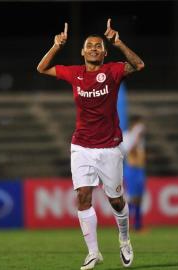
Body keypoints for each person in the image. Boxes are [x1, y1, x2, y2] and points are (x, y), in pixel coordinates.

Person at [37, 19, 145, 269]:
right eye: (89, 45)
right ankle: (94, 252)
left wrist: (118, 42)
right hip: (82, 146)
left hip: (109, 147)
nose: (94, 48)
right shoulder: (74, 73)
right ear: (83, 51)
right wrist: (56, 46)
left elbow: (139, 64)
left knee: (116, 201)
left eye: (99, 45)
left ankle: (125, 239)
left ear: (105, 53)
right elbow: (42, 68)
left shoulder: (113, 70)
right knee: (83, 197)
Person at [121, 115, 146, 231]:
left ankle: (138, 225)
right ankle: (125, 224)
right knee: (132, 197)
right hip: (131, 169)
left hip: (140, 169)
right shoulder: (127, 136)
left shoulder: (140, 139)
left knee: (139, 198)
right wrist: (136, 137)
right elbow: (130, 150)